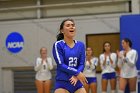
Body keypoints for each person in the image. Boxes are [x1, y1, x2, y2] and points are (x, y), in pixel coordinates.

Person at [52, 18, 87, 93]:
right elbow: (61, 65)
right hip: (62, 83)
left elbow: (81, 64)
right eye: (68, 25)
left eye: (73, 25)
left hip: (77, 82)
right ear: (62, 31)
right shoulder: (58, 45)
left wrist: (76, 76)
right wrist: (77, 73)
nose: (71, 27)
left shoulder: (80, 45)